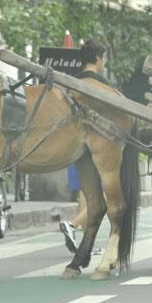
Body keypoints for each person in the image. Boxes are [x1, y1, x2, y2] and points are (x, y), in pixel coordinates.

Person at [59, 39, 109, 253]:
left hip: (72, 148)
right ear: (98, 58)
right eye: (104, 59)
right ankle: (73, 225)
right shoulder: (98, 87)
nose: (104, 63)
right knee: (103, 195)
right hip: (92, 149)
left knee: (85, 195)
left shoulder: (71, 85)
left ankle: (84, 239)